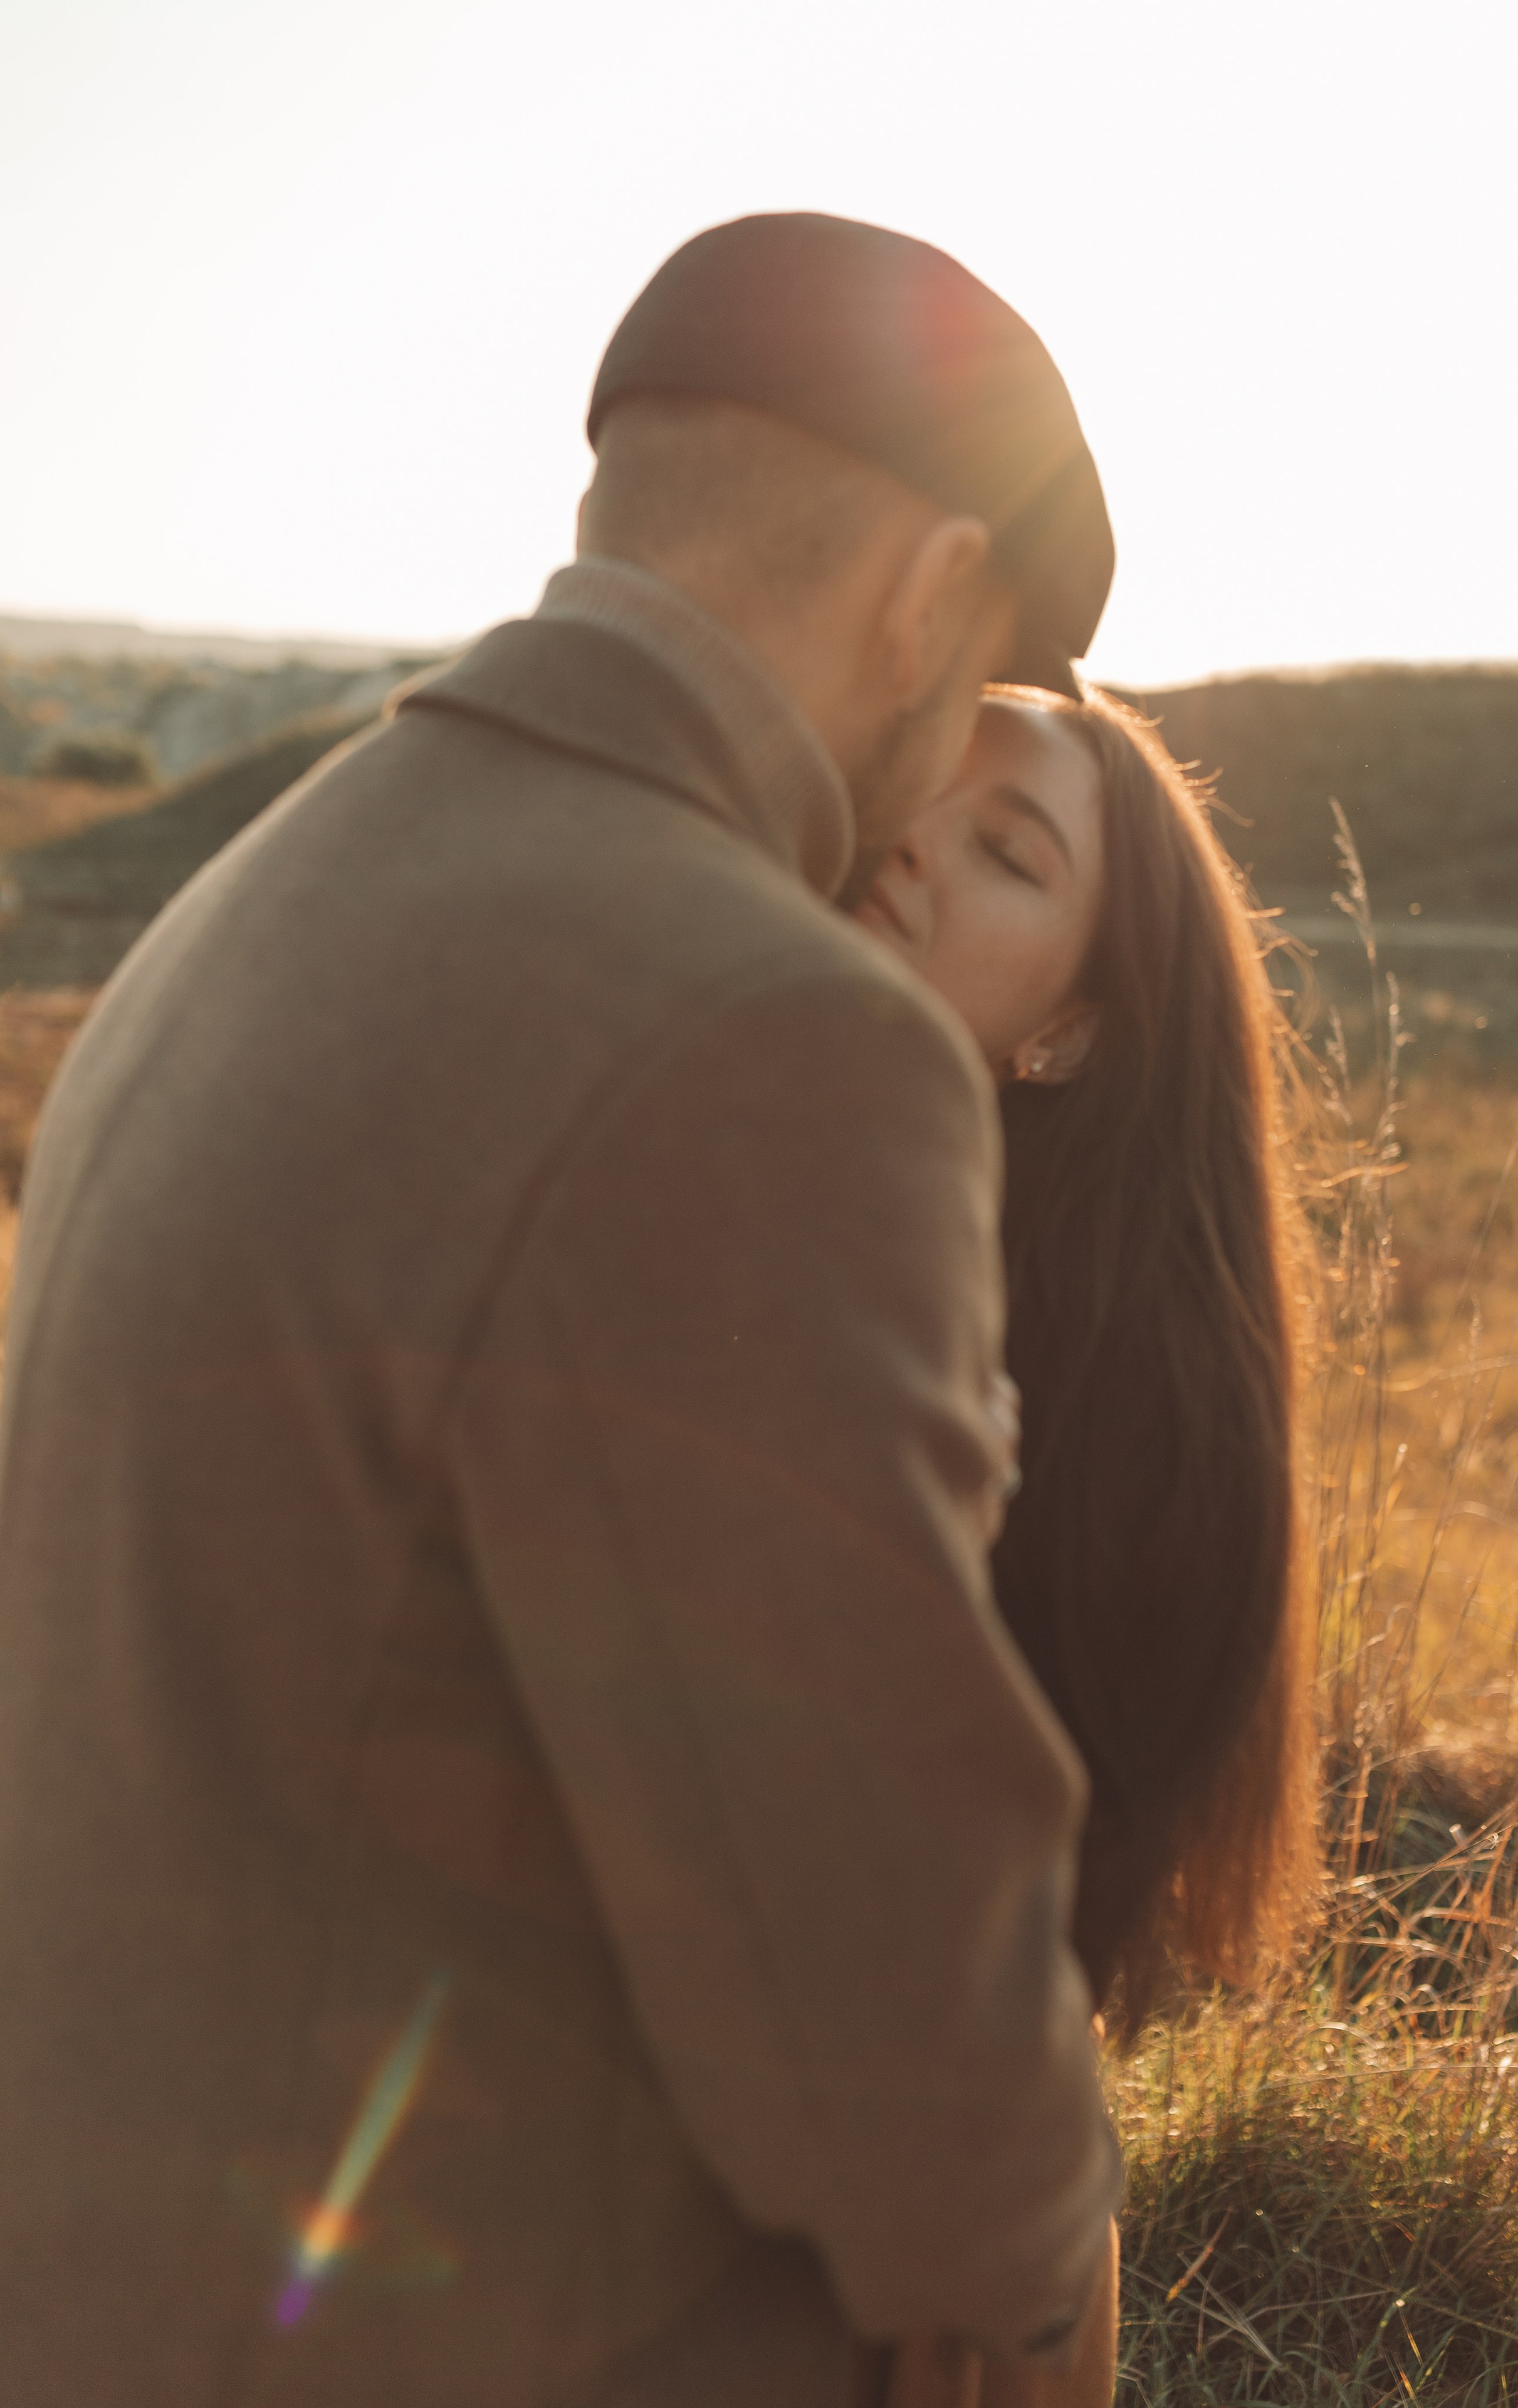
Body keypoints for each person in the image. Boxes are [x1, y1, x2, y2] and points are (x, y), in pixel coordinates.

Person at [0, 216, 1124, 2407]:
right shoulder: (764, 1030)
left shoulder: (248, 904)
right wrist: (1059, 2274)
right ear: (924, 599)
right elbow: (904, 2044)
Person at [859, 684, 1317, 2405]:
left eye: (1009, 850)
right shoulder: (783, 1157)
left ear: (1067, 1034)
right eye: (927, 780)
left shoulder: (1110, 1406)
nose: (919, 840)